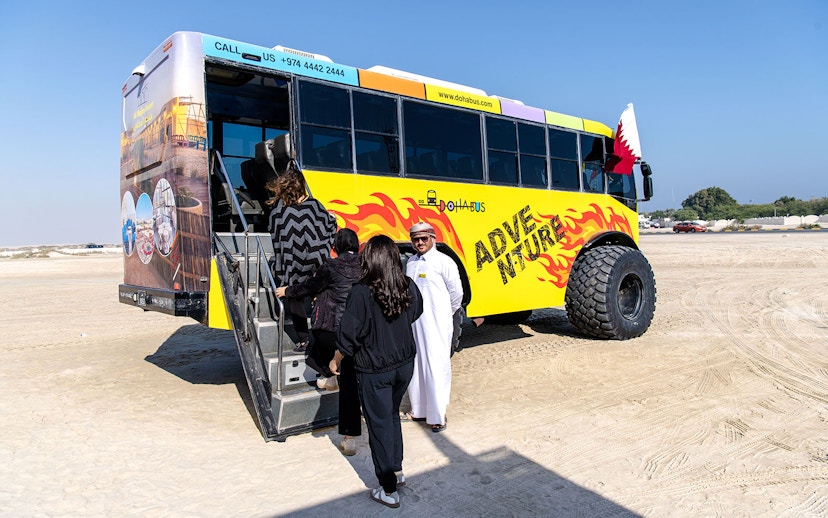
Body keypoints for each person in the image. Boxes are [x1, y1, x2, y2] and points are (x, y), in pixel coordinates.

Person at [331, 235, 423, 509]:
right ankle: (396, 469)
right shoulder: (407, 285)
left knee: (379, 422)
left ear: (368, 259)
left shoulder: (361, 292)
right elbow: (416, 312)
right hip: (404, 363)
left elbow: (348, 335)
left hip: (375, 368)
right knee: (390, 415)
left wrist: (335, 360)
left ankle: (388, 488)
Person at [274, 228, 363, 455]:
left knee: (320, 345)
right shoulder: (366, 264)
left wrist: (287, 291)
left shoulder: (330, 266)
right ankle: (333, 378)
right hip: (360, 327)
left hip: (334, 330)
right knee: (352, 377)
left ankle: (350, 436)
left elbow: (308, 287)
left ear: (336, 247)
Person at [266, 162, 337, 352]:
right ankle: (322, 334)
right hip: (315, 262)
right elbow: (329, 226)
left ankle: (304, 339)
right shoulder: (314, 205)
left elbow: (275, 234)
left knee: (294, 297)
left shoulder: (278, 211)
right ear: (301, 185)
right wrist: (332, 219)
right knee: (320, 295)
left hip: (291, 263)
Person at [405, 221, 463, 433]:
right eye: (416, 239)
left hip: (437, 323)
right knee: (417, 365)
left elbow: (457, 294)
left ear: (433, 238)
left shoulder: (444, 261)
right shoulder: (411, 262)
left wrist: (444, 314)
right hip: (415, 324)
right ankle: (418, 409)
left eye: (424, 239)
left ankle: (438, 415)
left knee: (436, 366)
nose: (420, 243)